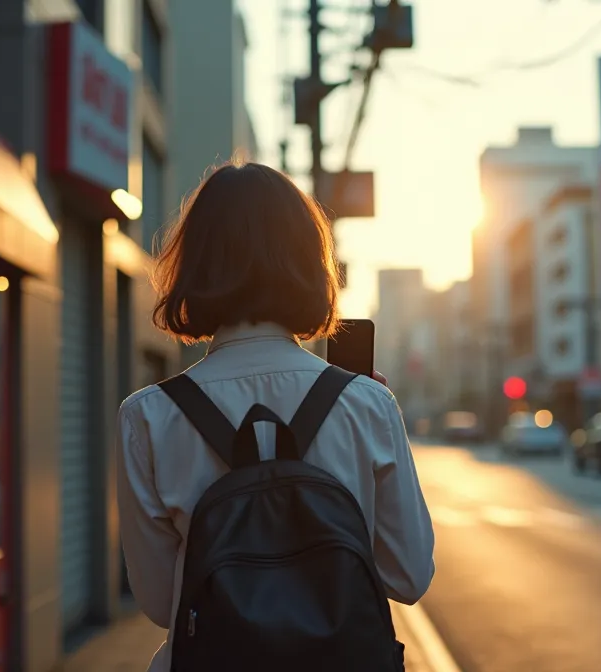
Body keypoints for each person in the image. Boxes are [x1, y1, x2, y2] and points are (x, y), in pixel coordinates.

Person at [115, 161, 435, 671]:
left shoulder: (149, 417)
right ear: (310, 264)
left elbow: (160, 605)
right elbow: (409, 577)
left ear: (193, 265)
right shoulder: (367, 405)